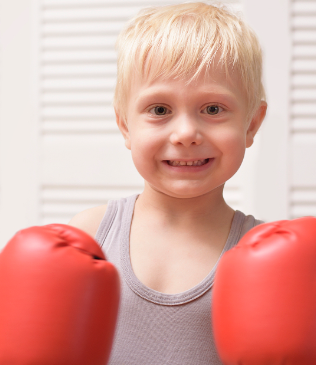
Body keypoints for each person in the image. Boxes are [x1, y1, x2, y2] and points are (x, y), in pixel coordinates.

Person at [69, 1, 266, 364]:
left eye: (213, 109)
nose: (187, 133)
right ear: (125, 125)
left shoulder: (272, 256)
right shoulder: (88, 238)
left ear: (252, 124)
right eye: (159, 110)